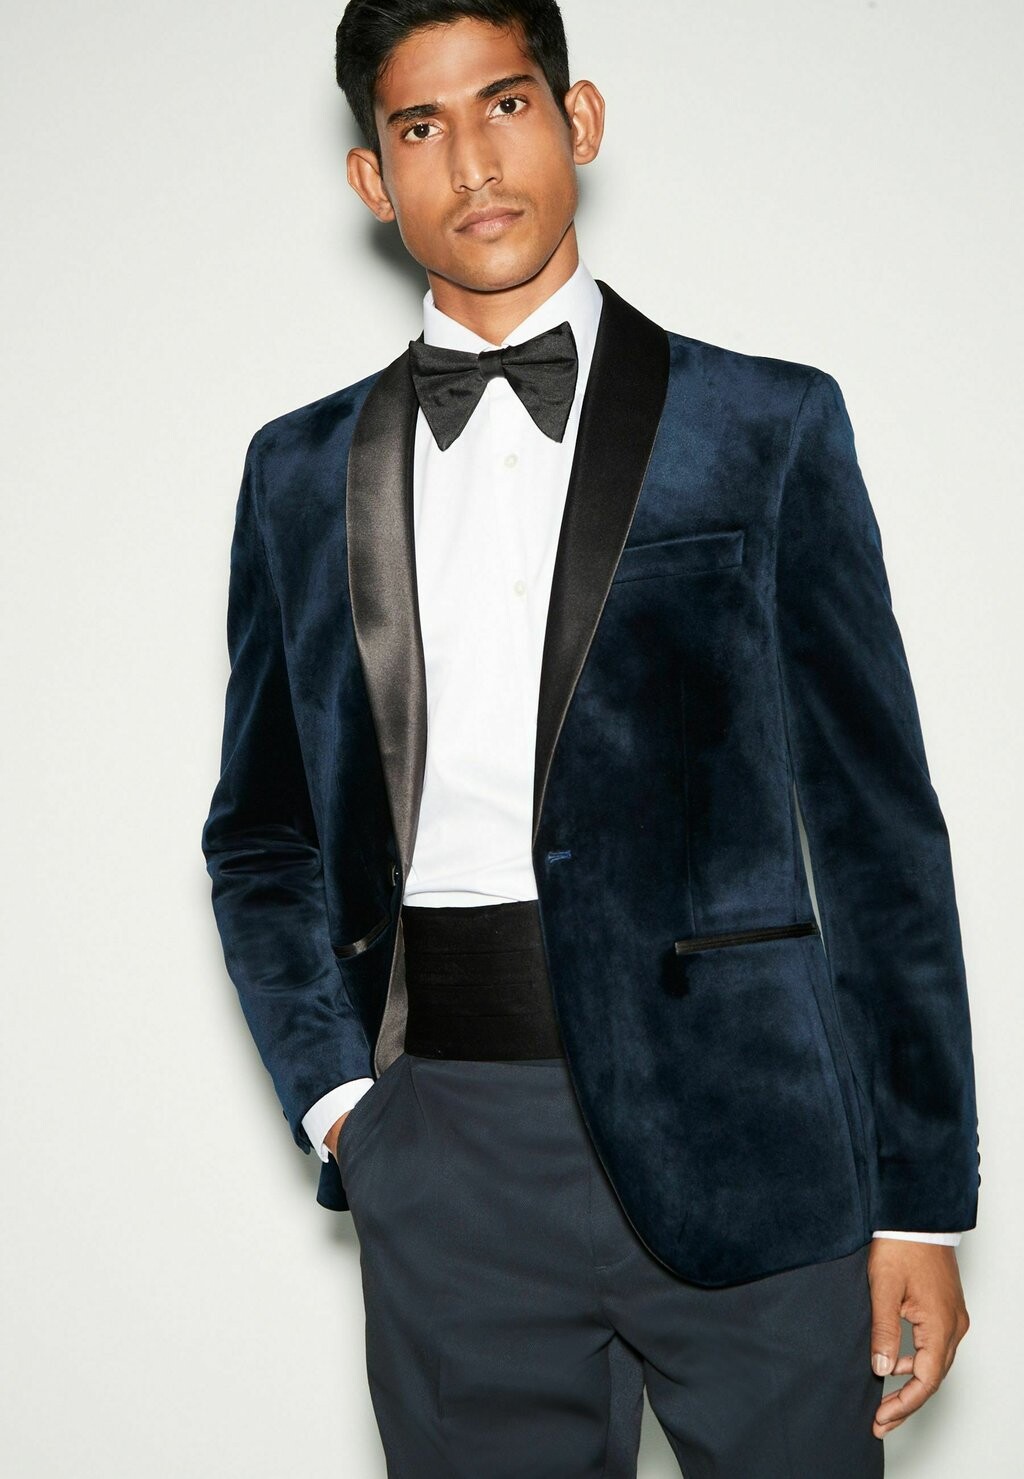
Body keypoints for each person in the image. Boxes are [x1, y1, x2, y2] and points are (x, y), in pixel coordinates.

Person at [201, 2, 980, 1473]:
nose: (472, 162)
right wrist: (347, 1109)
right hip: (449, 1154)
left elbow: (876, 828)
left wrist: (921, 1203)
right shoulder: (297, 472)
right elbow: (261, 832)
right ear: (373, 178)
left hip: (755, 1143)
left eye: (506, 105)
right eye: (420, 127)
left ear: (581, 121)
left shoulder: (768, 424)